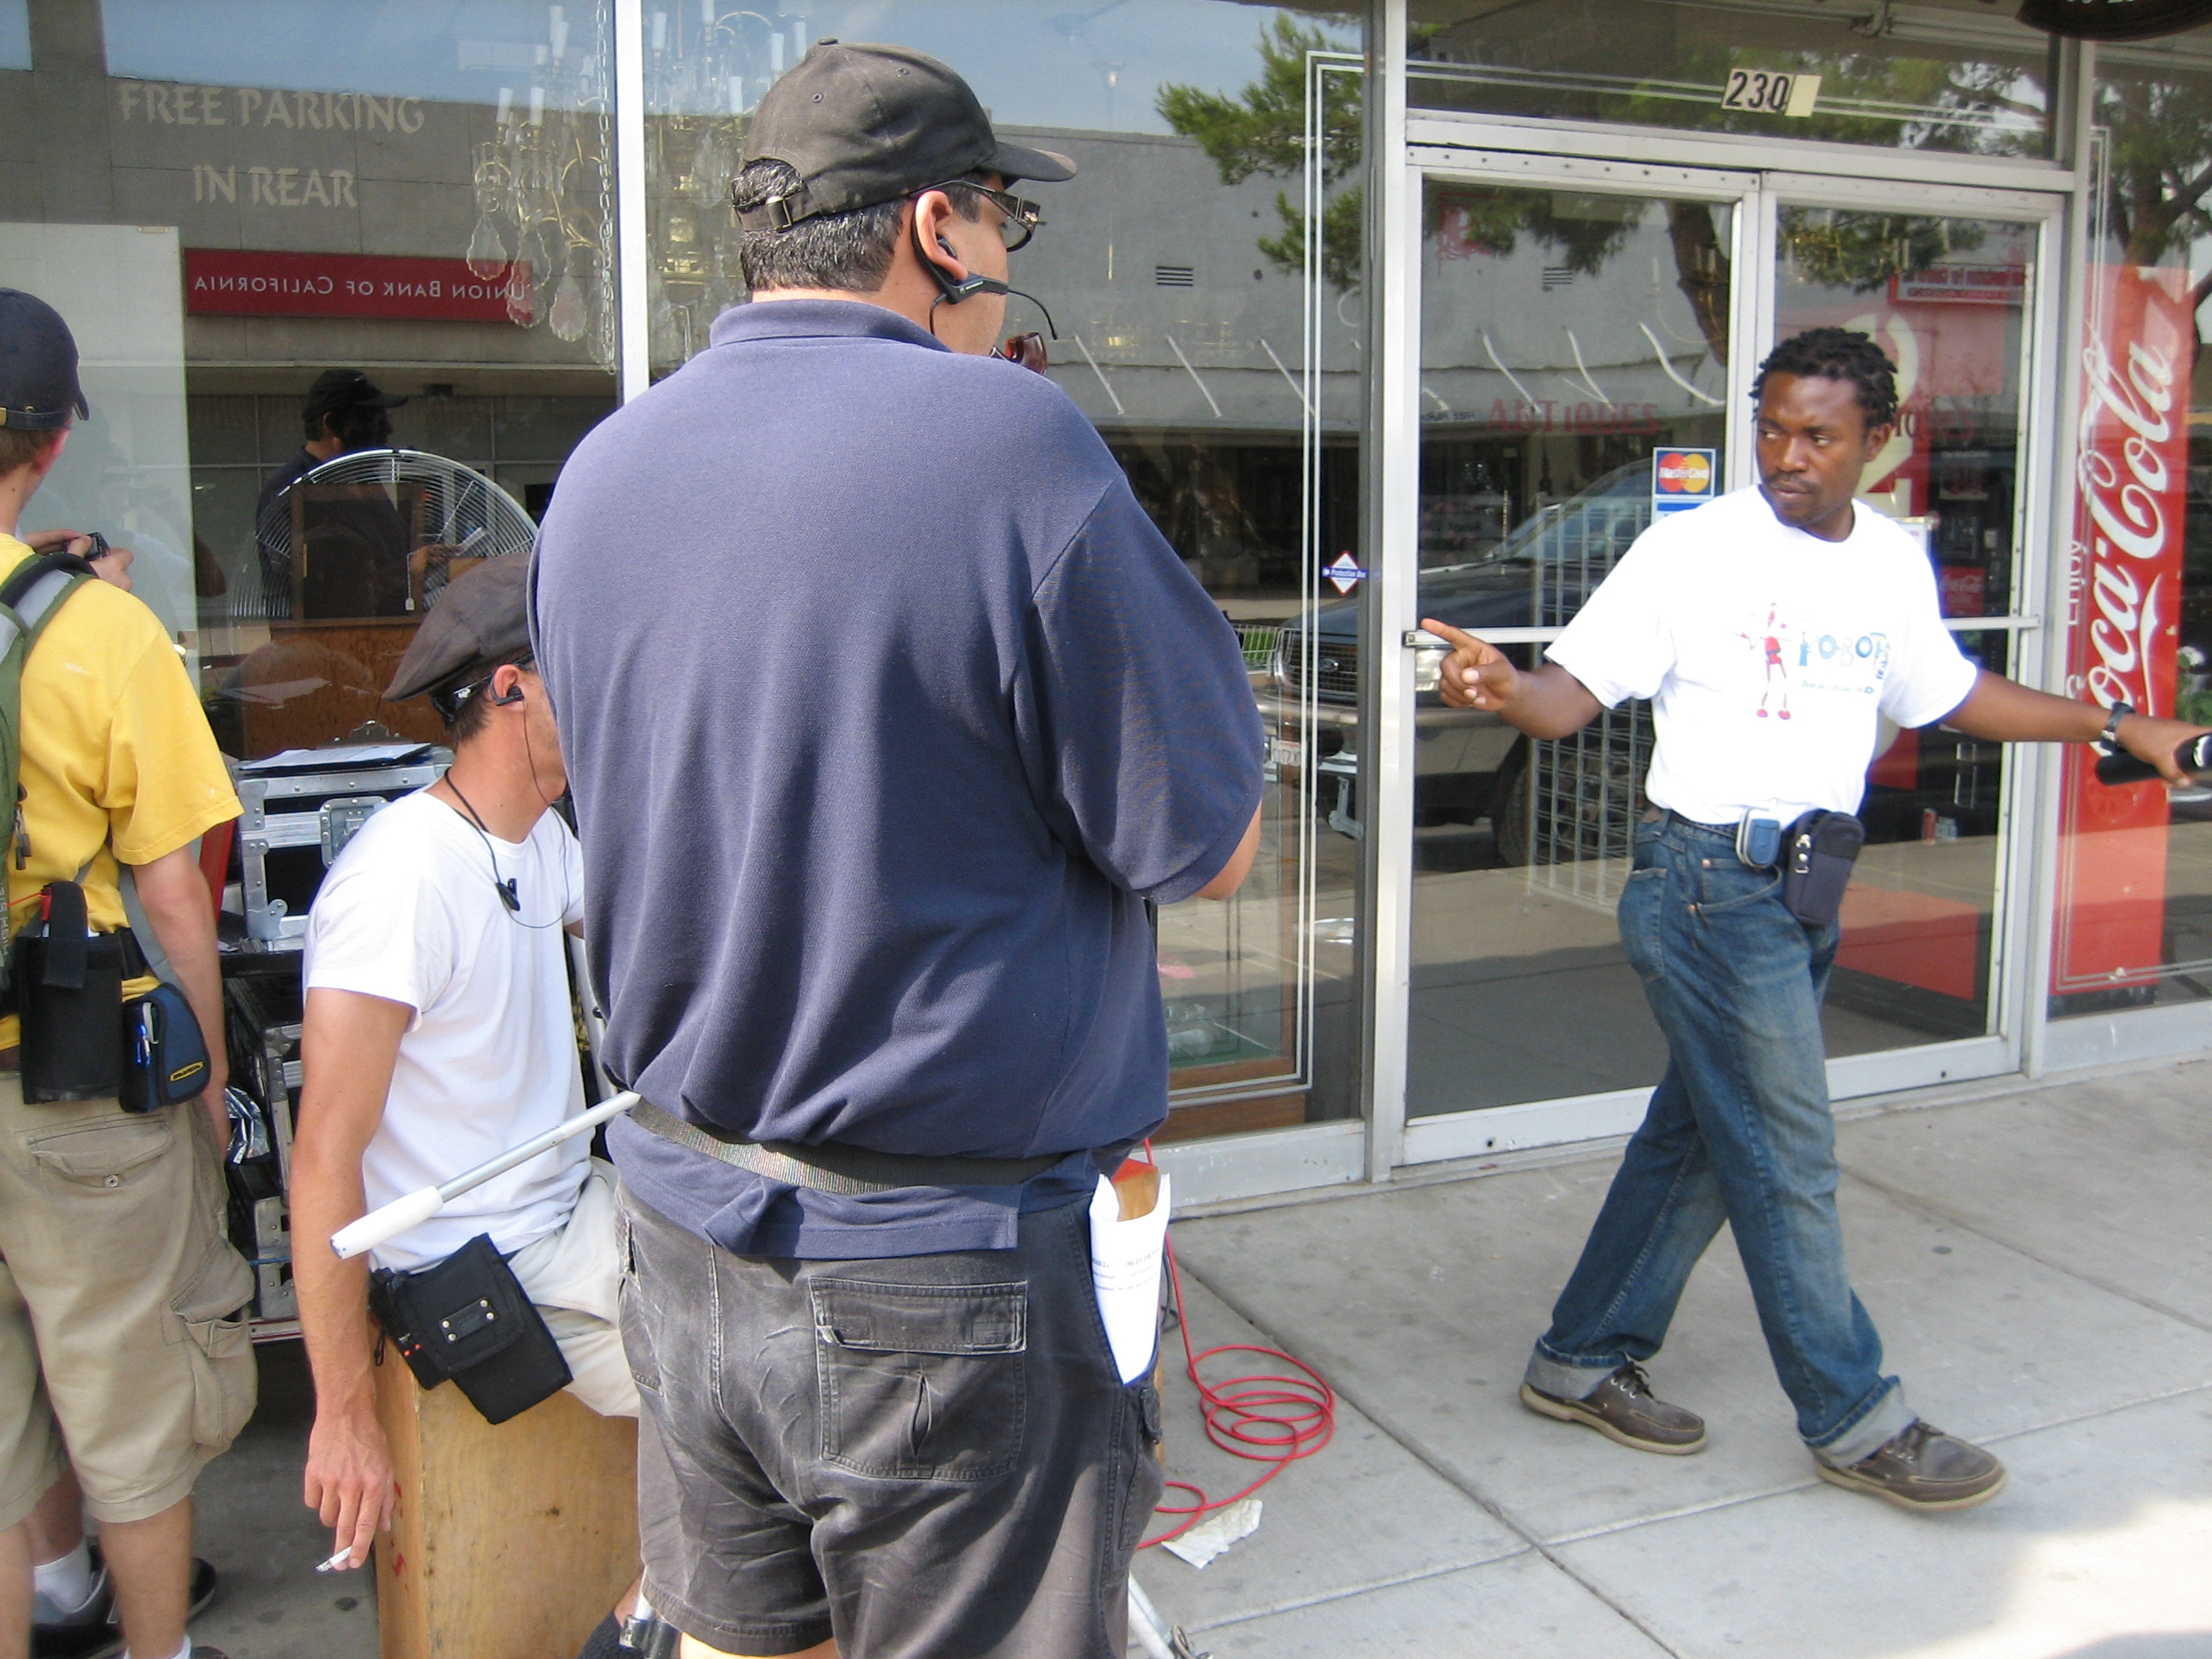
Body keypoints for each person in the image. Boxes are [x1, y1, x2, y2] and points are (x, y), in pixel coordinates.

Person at [531, 40, 1264, 1659]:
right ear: (936, 223)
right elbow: (1205, 837)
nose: (1006, 265)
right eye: (1003, 220)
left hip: (683, 1223)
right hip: (941, 1277)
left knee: (735, 1640)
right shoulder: (1009, 449)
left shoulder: (599, 473)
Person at [1423, 326, 2212, 1513]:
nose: (1787, 454)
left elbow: (1950, 694)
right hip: (1706, 886)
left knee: (1701, 1139)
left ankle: (1579, 1359)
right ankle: (1854, 1417)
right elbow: (1565, 696)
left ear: (1877, 446)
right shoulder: (1690, 552)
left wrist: (2114, 725)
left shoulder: (1891, 563)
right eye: (1773, 428)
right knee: (1788, 1156)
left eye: (1819, 435)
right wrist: (1500, 684)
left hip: (1803, 893)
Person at [287, 559, 663, 1659]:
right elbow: (323, 1159)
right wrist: (341, 1405)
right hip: (482, 1257)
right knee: (754, 1382)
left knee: (784, 1299)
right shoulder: (402, 880)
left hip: (571, 1210)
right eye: (583, 671)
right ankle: (650, 1624)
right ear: (511, 689)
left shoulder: (541, 837)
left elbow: (653, 946)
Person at [0, 288, 251, 1659]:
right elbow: (177, 897)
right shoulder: (100, 635)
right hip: (77, 1079)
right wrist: (204, 1081)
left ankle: (48, 1601)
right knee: (133, 1402)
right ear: (47, 444)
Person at [252, 370, 407, 620]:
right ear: (332, 425)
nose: (387, 431)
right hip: (322, 648)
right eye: (375, 421)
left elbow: (389, 555)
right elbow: (314, 588)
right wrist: (410, 570)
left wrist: (423, 565)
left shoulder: (368, 485)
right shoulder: (290, 492)